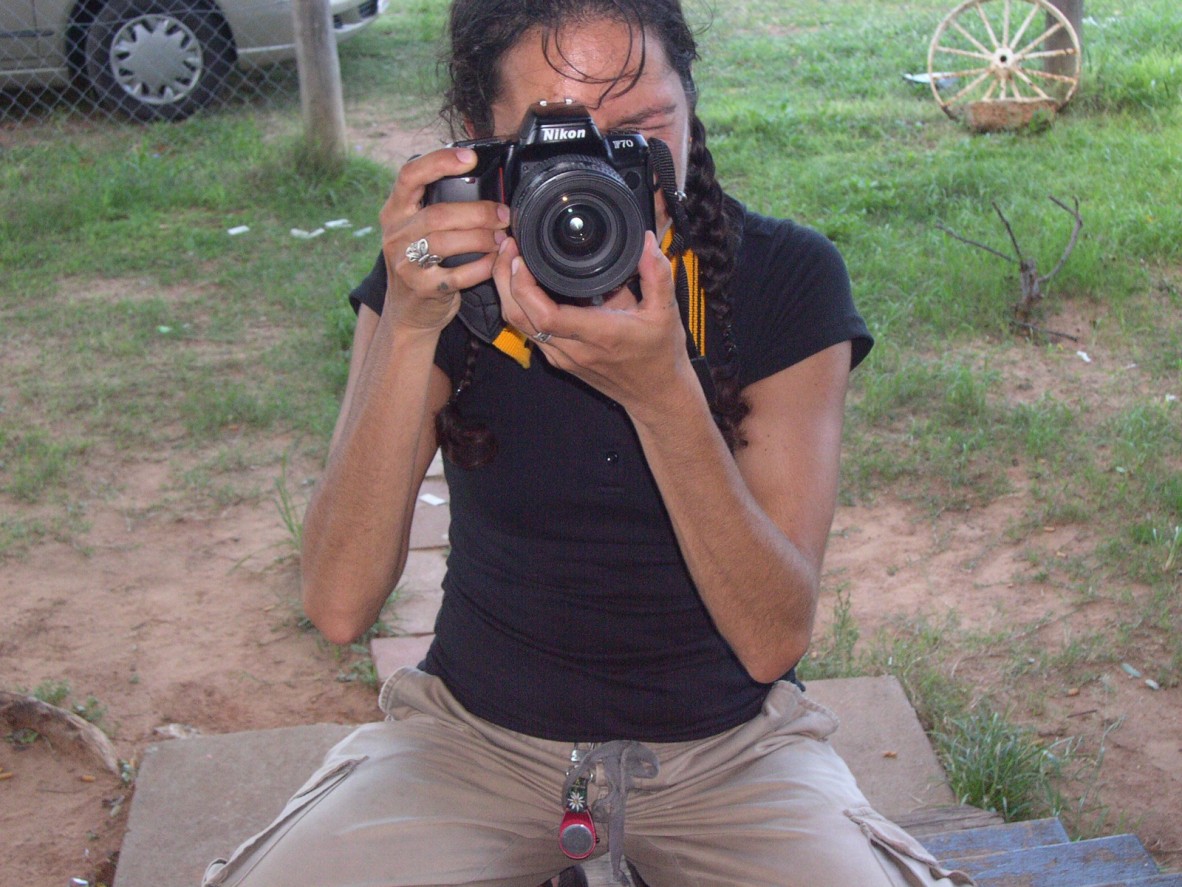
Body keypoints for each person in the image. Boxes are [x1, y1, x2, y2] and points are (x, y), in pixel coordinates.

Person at [204, 1, 974, 885]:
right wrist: (412, 325)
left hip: (730, 755)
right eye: (555, 144)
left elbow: (772, 639)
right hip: (472, 742)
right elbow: (339, 603)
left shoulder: (784, 278)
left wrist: (663, 394)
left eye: (642, 128)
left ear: (692, 102)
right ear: (476, 143)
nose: (596, 182)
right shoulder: (437, 279)